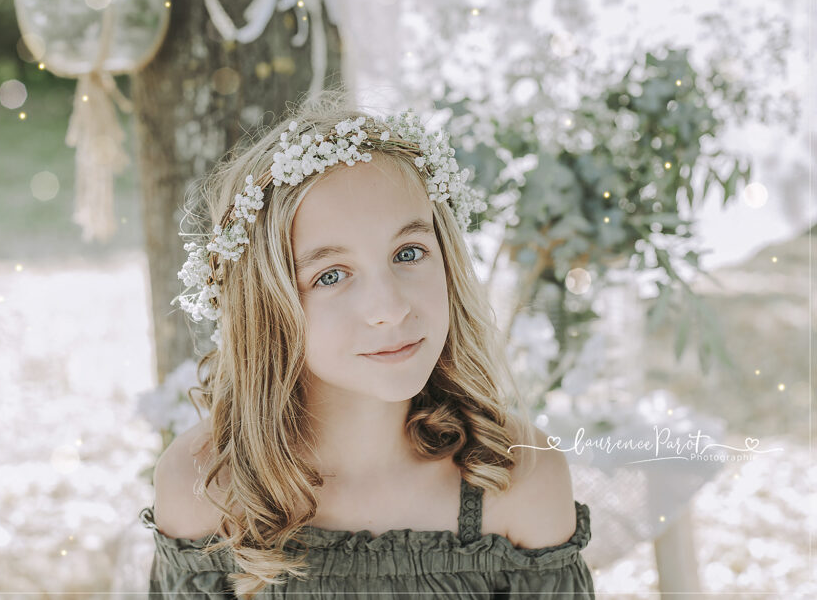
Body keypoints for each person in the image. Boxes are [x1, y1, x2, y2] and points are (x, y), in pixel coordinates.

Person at [138, 89, 595, 598]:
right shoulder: (206, 487)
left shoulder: (519, 478)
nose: (391, 308)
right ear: (264, 303)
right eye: (331, 274)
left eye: (408, 252)